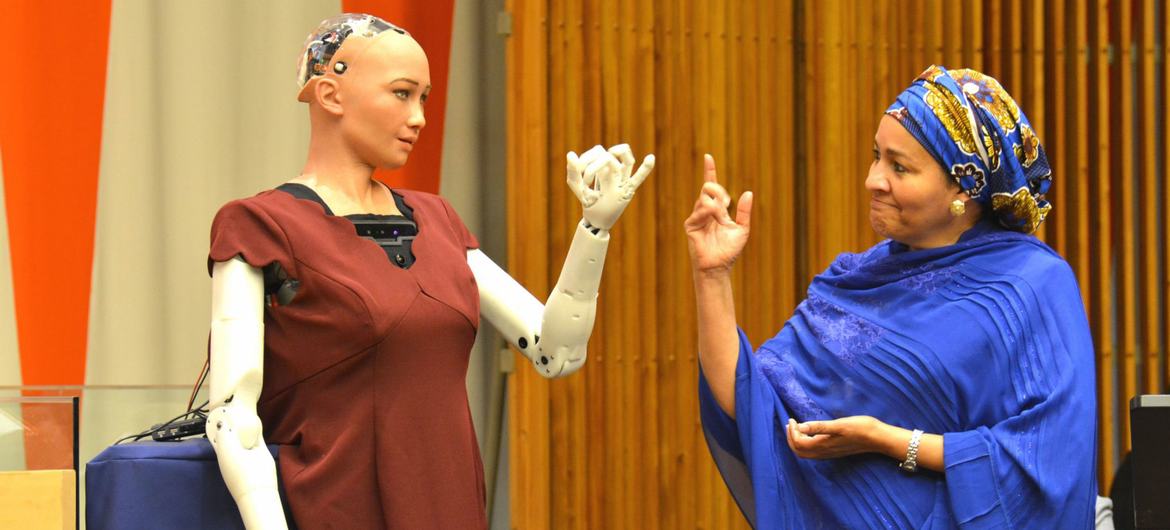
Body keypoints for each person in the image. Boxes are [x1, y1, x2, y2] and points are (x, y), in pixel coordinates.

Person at [203, 14, 654, 529]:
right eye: (401, 93)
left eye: (425, 98)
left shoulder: (437, 221)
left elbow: (557, 353)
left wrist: (593, 230)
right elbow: (233, 419)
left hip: (451, 506)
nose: (418, 117)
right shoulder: (260, 227)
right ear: (330, 95)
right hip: (335, 511)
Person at [686, 65, 1097, 528]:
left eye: (899, 167)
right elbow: (751, 409)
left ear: (963, 188)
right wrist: (712, 275)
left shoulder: (1035, 286)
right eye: (876, 157)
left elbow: (1051, 461)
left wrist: (891, 440)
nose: (873, 180)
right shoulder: (853, 282)